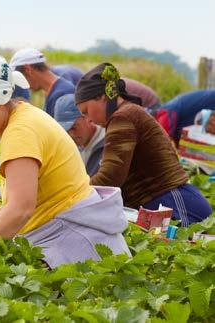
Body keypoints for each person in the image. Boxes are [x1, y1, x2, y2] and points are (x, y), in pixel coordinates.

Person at [0, 54, 130, 268]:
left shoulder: (20, 132)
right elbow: (35, 193)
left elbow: (21, 209)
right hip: (79, 237)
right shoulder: (23, 117)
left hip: (79, 247)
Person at [75, 62, 212, 226]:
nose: (88, 119)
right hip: (168, 203)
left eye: (86, 111)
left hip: (175, 204)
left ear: (102, 98)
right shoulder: (126, 114)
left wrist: (74, 193)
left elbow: (110, 177)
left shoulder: (123, 118)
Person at [9, 48, 74, 117]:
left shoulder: (63, 95)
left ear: (27, 69)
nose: (23, 85)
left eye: (21, 78)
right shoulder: (53, 91)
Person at [54, 94, 105, 176]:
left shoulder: (108, 143)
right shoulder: (71, 147)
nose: (70, 135)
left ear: (87, 117)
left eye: (74, 128)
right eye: (65, 131)